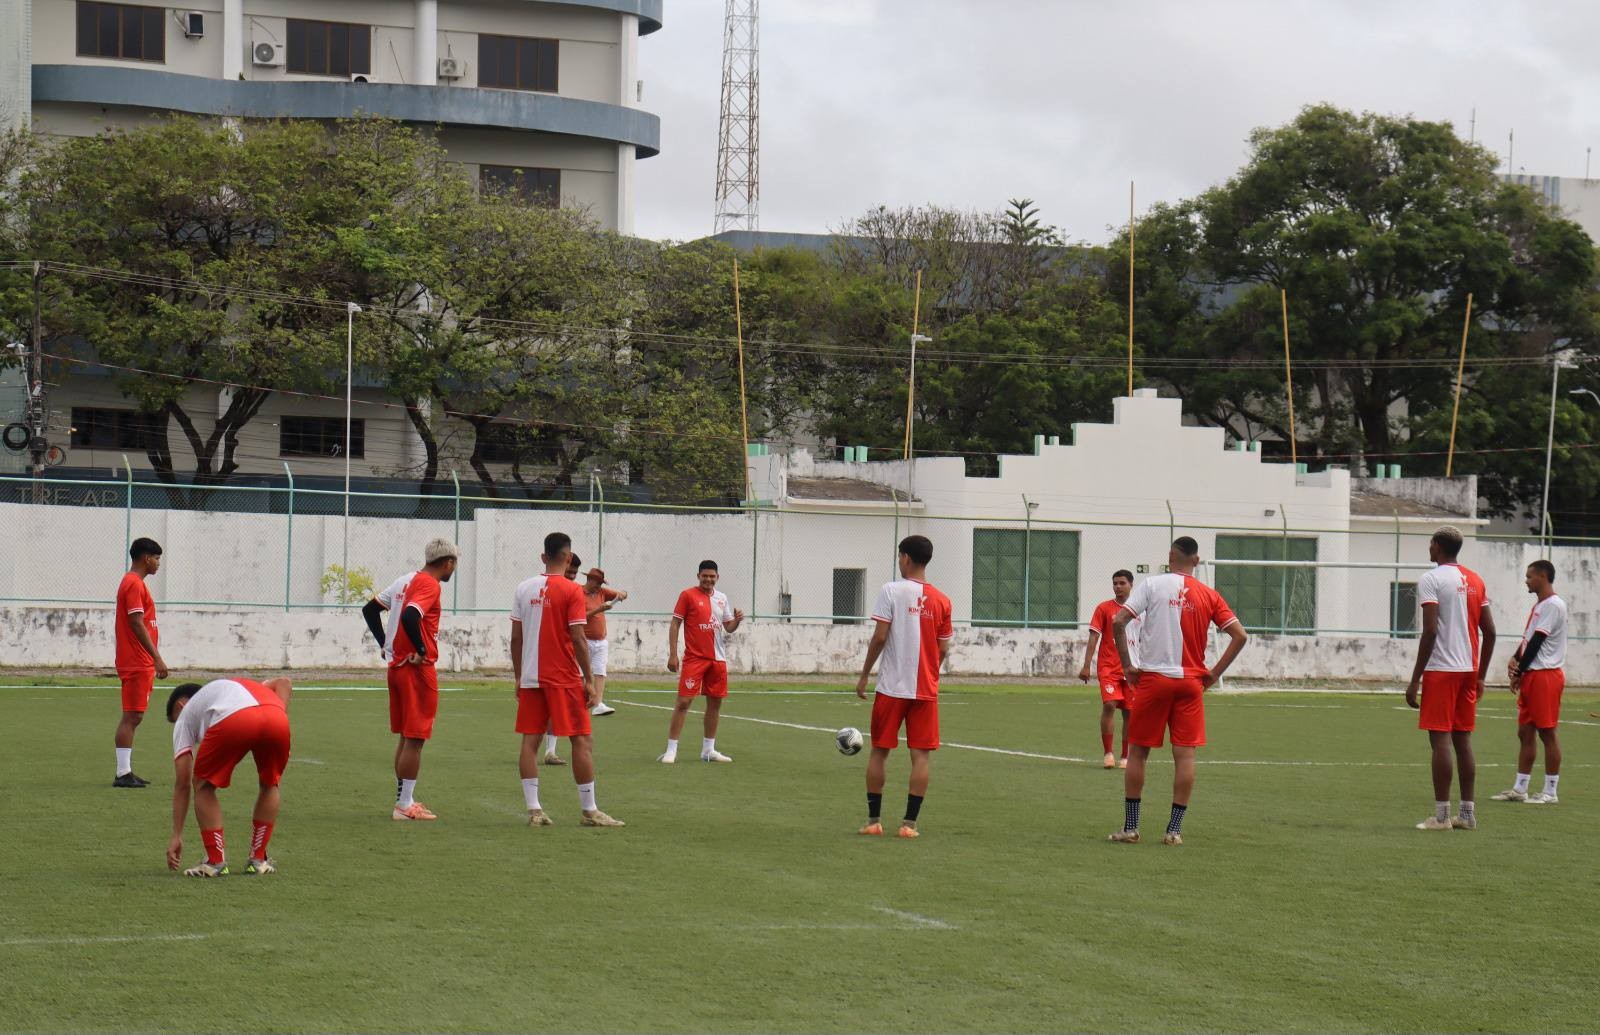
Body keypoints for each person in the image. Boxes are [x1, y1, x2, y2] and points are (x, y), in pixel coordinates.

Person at [1109, 536, 1248, 846]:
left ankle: (1131, 828)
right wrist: (1213, 674)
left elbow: (1119, 622)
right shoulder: (1209, 594)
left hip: (1154, 679)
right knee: (1185, 756)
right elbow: (1239, 635)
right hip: (1190, 684)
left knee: (1138, 753)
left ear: (1170, 556)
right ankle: (1174, 830)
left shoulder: (1151, 585)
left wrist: (1128, 666)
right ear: (1196, 561)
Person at [510, 532, 623, 827]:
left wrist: (518, 677)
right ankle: (589, 810)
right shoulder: (572, 591)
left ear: (543, 557)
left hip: (532, 677)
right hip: (562, 677)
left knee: (530, 742)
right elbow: (577, 637)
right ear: (569, 558)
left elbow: (516, 639)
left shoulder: (523, 588)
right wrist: (588, 678)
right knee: (582, 740)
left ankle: (535, 810)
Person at [855, 535, 953, 839]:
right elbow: (944, 647)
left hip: (892, 687)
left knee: (879, 751)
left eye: (900, 557)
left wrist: (864, 674)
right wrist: (930, 672)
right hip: (925, 689)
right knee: (920, 756)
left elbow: (880, 637)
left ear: (906, 558)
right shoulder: (942, 600)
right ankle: (909, 825)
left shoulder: (891, 591)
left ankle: (874, 821)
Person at [1406, 525, 1496, 831]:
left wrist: (1415, 678)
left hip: (1442, 669)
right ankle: (1467, 814)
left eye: (1430, 543)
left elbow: (1430, 630)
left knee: (1439, 739)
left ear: (1437, 547)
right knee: (1463, 740)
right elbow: (1491, 632)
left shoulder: (1431, 579)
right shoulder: (1475, 579)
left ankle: (1442, 817)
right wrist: (1481, 676)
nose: (1428, 548)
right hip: (1468, 670)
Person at [362, 538, 458, 821]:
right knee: (415, 738)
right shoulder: (430, 584)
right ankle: (404, 806)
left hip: (396, 666)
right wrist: (420, 649)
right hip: (416, 668)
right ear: (448, 562)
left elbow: (370, 610)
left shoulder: (405, 580)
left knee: (407, 737)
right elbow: (410, 616)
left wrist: (385, 644)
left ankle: (405, 799)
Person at [165, 676, 293, 877]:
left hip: (236, 719)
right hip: (276, 716)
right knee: (270, 783)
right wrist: (278, 718)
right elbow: (284, 683)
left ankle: (215, 862)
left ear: (181, 705)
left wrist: (176, 835)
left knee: (202, 785)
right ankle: (258, 860)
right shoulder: (231, 688)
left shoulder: (184, 716)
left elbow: (183, 783)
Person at [1491, 560, 1566, 806]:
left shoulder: (1553, 605)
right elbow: (1529, 639)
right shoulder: (1541, 605)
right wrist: (1516, 657)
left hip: (1545, 675)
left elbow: (1538, 642)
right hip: (1533, 675)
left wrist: (1519, 671)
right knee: (1525, 732)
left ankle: (1550, 790)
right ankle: (1520, 788)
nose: (1526, 580)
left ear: (1543, 577)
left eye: (1529, 576)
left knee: (1547, 732)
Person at [660, 559, 744, 763]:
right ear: (698, 576)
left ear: (717, 577)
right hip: (694, 659)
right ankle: (671, 750)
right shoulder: (687, 595)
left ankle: (708, 750)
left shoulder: (722, 598)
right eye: (705, 576)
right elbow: (675, 624)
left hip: (718, 660)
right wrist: (673, 654)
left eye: (712, 576)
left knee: (715, 703)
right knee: (683, 702)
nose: (708, 579)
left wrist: (737, 621)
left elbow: (727, 627)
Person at [113, 537, 170, 788]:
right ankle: (122, 773)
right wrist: (156, 657)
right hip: (137, 660)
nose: (158, 563)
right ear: (146, 558)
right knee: (132, 716)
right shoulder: (133, 583)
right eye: (157, 559)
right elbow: (136, 622)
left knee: (134, 716)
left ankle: (125, 771)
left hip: (139, 660)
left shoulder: (134, 583)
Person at [1079, 569, 1142, 769]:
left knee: (1130, 713)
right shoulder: (1104, 608)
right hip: (1108, 668)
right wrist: (1087, 665)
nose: (1117, 587)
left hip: (1133, 668)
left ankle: (1125, 756)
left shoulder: (1141, 610)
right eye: (1115, 583)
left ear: (1131, 585)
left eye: (1122, 583)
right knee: (1109, 705)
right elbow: (1094, 637)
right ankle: (1108, 753)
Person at [582, 567, 627, 717]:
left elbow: (623, 594)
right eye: (597, 583)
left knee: (600, 672)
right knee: (582, 673)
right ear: (590, 580)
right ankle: (581, 702)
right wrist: (599, 609)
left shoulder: (602, 592)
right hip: (584, 640)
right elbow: (580, 617)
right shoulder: (579, 593)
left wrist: (621, 595)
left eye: (601, 583)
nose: (599, 586)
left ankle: (598, 703)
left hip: (601, 641)